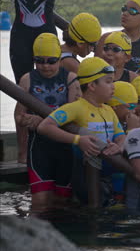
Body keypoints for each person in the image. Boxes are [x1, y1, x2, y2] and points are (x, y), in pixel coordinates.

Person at [37, 57, 126, 207]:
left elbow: (121, 136)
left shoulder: (109, 110)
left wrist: (119, 146)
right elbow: (45, 126)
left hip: (110, 172)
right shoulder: (76, 107)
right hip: (86, 174)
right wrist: (78, 140)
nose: (113, 87)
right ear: (92, 85)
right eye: (109, 81)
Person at [14, 33, 79, 212]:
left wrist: (41, 120)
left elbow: (74, 117)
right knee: (39, 203)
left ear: (59, 59)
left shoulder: (70, 79)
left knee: (61, 204)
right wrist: (22, 147)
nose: (45, 66)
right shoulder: (27, 80)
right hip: (39, 149)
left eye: (51, 61)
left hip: (65, 148)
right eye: (39, 60)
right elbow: (19, 116)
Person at [9, 0, 58, 164]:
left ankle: (46, 145)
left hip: (46, 35)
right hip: (20, 37)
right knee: (21, 92)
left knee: (48, 90)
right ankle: (22, 153)